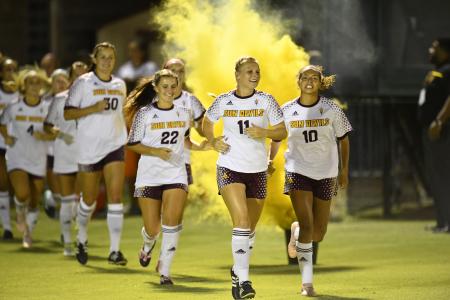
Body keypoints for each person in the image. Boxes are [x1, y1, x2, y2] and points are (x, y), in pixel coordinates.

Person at [202, 56, 287, 299]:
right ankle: (245, 281)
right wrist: (213, 140)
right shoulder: (224, 100)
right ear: (237, 75)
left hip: (258, 171)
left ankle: (237, 271)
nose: (254, 75)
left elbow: (282, 130)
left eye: (257, 71)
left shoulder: (266, 100)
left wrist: (265, 131)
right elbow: (207, 122)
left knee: (249, 229)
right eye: (249, 71)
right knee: (241, 221)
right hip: (230, 167)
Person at [125, 69, 208, 284]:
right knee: (153, 228)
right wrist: (155, 151)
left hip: (175, 173)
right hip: (149, 175)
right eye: (165, 86)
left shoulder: (183, 112)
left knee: (171, 223)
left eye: (173, 86)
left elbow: (185, 141)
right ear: (155, 88)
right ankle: (147, 244)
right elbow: (132, 143)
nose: (170, 90)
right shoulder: (144, 113)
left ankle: (165, 271)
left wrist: (201, 147)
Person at [282, 65, 352, 296]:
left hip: (326, 173)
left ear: (320, 82)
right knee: (308, 224)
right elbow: (275, 139)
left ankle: (296, 231)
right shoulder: (287, 110)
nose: (309, 81)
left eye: (314, 78)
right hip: (297, 170)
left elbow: (343, 140)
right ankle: (307, 283)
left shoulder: (331, 109)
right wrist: (269, 160)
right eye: (305, 77)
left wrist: (344, 171)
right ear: (298, 80)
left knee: (318, 233)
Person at [64, 42, 128, 265]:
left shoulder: (120, 84)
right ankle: (81, 239)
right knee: (89, 200)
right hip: (89, 147)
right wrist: (92, 108)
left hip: (114, 144)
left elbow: (119, 113)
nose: (107, 61)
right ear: (95, 58)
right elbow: (68, 113)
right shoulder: (83, 83)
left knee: (116, 197)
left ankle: (115, 250)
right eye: (103, 57)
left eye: (111, 57)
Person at [0, 70, 56, 248]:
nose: (34, 85)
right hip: (16, 155)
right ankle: (19, 212)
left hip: (38, 158)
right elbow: (2, 123)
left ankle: (27, 233)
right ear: (24, 86)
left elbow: (53, 131)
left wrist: (46, 136)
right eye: (31, 82)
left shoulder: (47, 108)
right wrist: (6, 137)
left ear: (42, 85)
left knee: (34, 199)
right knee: (22, 193)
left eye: (37, 82)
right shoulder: (14, 107)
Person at [45, 65, 88, 256]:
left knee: (83, 201)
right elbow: (47, 125)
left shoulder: (94, 99)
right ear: (71, 78)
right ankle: (68, 244)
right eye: (77, 76)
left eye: (84, 75)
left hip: (87, 153)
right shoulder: (60, 98)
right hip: (64, 152)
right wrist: (61, 134)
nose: (80, 79)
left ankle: (80, 238)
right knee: (66, 200)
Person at [418, 38, 450, 233]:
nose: (430, 50)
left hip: (443, 130)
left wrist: (439, 121)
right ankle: (442, 221)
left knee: (444, 175)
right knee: (436, 176)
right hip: (431, 130)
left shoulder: (448, 71)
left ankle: (447, 222)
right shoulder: (437, 72)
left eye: (435, 48)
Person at [42, 69, 71, 219]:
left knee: (68, 193)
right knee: (59, 192)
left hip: (70, 151)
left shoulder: (73, 101)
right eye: (57, 81)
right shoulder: (44, 102)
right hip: (50, 151)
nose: (60, 84)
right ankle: (51, 197)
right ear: (51, 83)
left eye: (63, 81)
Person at [0, 57, 19, 240]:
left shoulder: (20, 94)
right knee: (3, 184)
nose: (10, 73)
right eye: (7, 69)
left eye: (13, 69)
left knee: (20, 189)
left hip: (18, 146)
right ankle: (7, 227)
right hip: (1, 145)